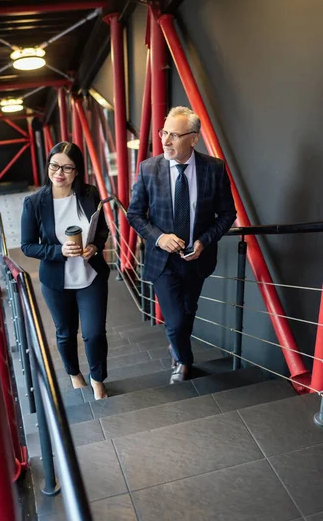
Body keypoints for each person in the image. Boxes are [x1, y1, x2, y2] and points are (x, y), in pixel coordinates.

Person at [127, 106, 236, 384]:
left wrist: (203, 241)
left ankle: (176, 347)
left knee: (188, 312)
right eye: (164, 133)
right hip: (163, 261)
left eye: (174, 135)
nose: (165, 141)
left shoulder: (214, 168)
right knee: (175, 321)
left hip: (197, 258)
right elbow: (135, 215)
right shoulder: (149, 168)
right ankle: (184, 362)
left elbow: (227, 214)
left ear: (194, 139)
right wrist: (160, 238)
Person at [21, 142, 110, 400]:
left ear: (77, 171)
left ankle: (97, 380)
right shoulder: (35, 203)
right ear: (48, 165)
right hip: (56, 281)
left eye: (67, 167)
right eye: (54, 165)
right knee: (65, 332)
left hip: (90, 275)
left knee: (94, 333)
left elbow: (101, 229)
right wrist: (58, 251)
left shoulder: (89, 194)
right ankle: (74, 374)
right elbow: (27, 246)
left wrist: (94, 245)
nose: (59, 172)